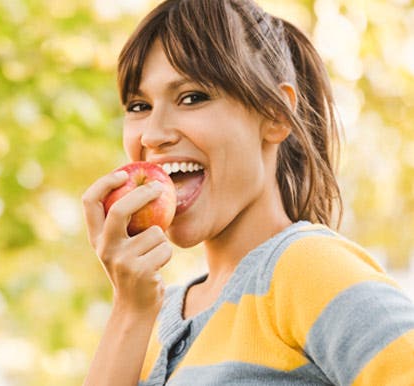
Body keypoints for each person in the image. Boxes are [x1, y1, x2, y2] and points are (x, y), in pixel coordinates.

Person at [80, 0, 414, 385]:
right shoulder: (155, 318)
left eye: (192, 97)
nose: (153, 134)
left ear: (275, 115)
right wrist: (129, 309)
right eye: (139, 106)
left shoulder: (306, 268)